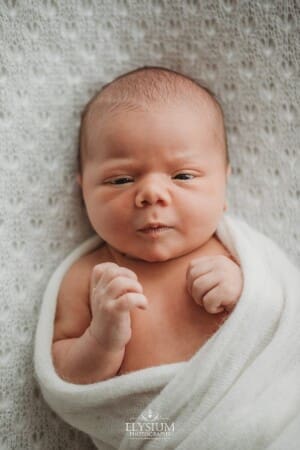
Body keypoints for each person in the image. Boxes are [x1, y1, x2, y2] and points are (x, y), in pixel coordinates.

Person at [51, 66, 243, 384]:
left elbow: (283, 322)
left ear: (224, 185)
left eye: (183, 176)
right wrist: (102, 339)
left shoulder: (239, 258)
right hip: (150, 426)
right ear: (83, 192)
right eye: (122, 179)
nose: (151, 194)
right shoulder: (89, 277)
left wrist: (243, 295)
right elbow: (67, 375)